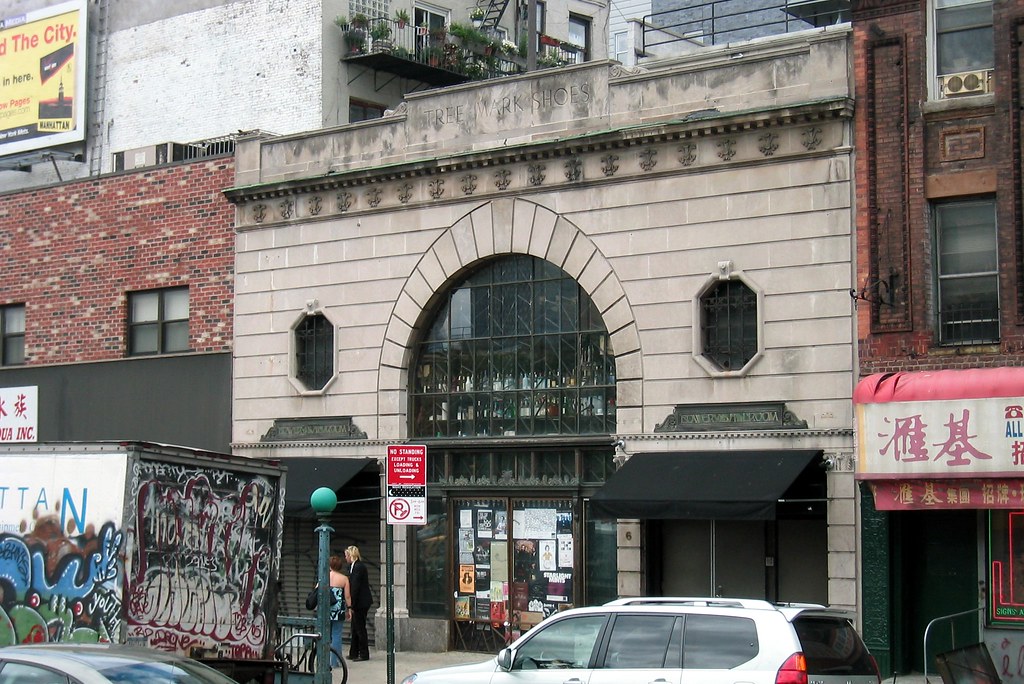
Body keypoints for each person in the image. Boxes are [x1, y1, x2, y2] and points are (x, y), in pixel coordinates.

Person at [345, 545, 373, 661]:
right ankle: (354, 652)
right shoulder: (354, 567)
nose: (345, 558)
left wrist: (351, 605)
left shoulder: (358, 567)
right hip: (360, 601)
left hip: (360, 602)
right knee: (355, 628)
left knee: (360, 628)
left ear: (351, 555)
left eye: (346, 555)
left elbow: (355, 587)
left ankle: (363, 654)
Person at [328, 554, 352, 668]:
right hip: (338, 610)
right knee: (336, 635)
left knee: (326, 636)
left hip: (326, 610)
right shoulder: (344, 579)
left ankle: (326, 660)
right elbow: (347, 596)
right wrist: (350, 609)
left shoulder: (324, 577)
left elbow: (317, 591)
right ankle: (335, 661)